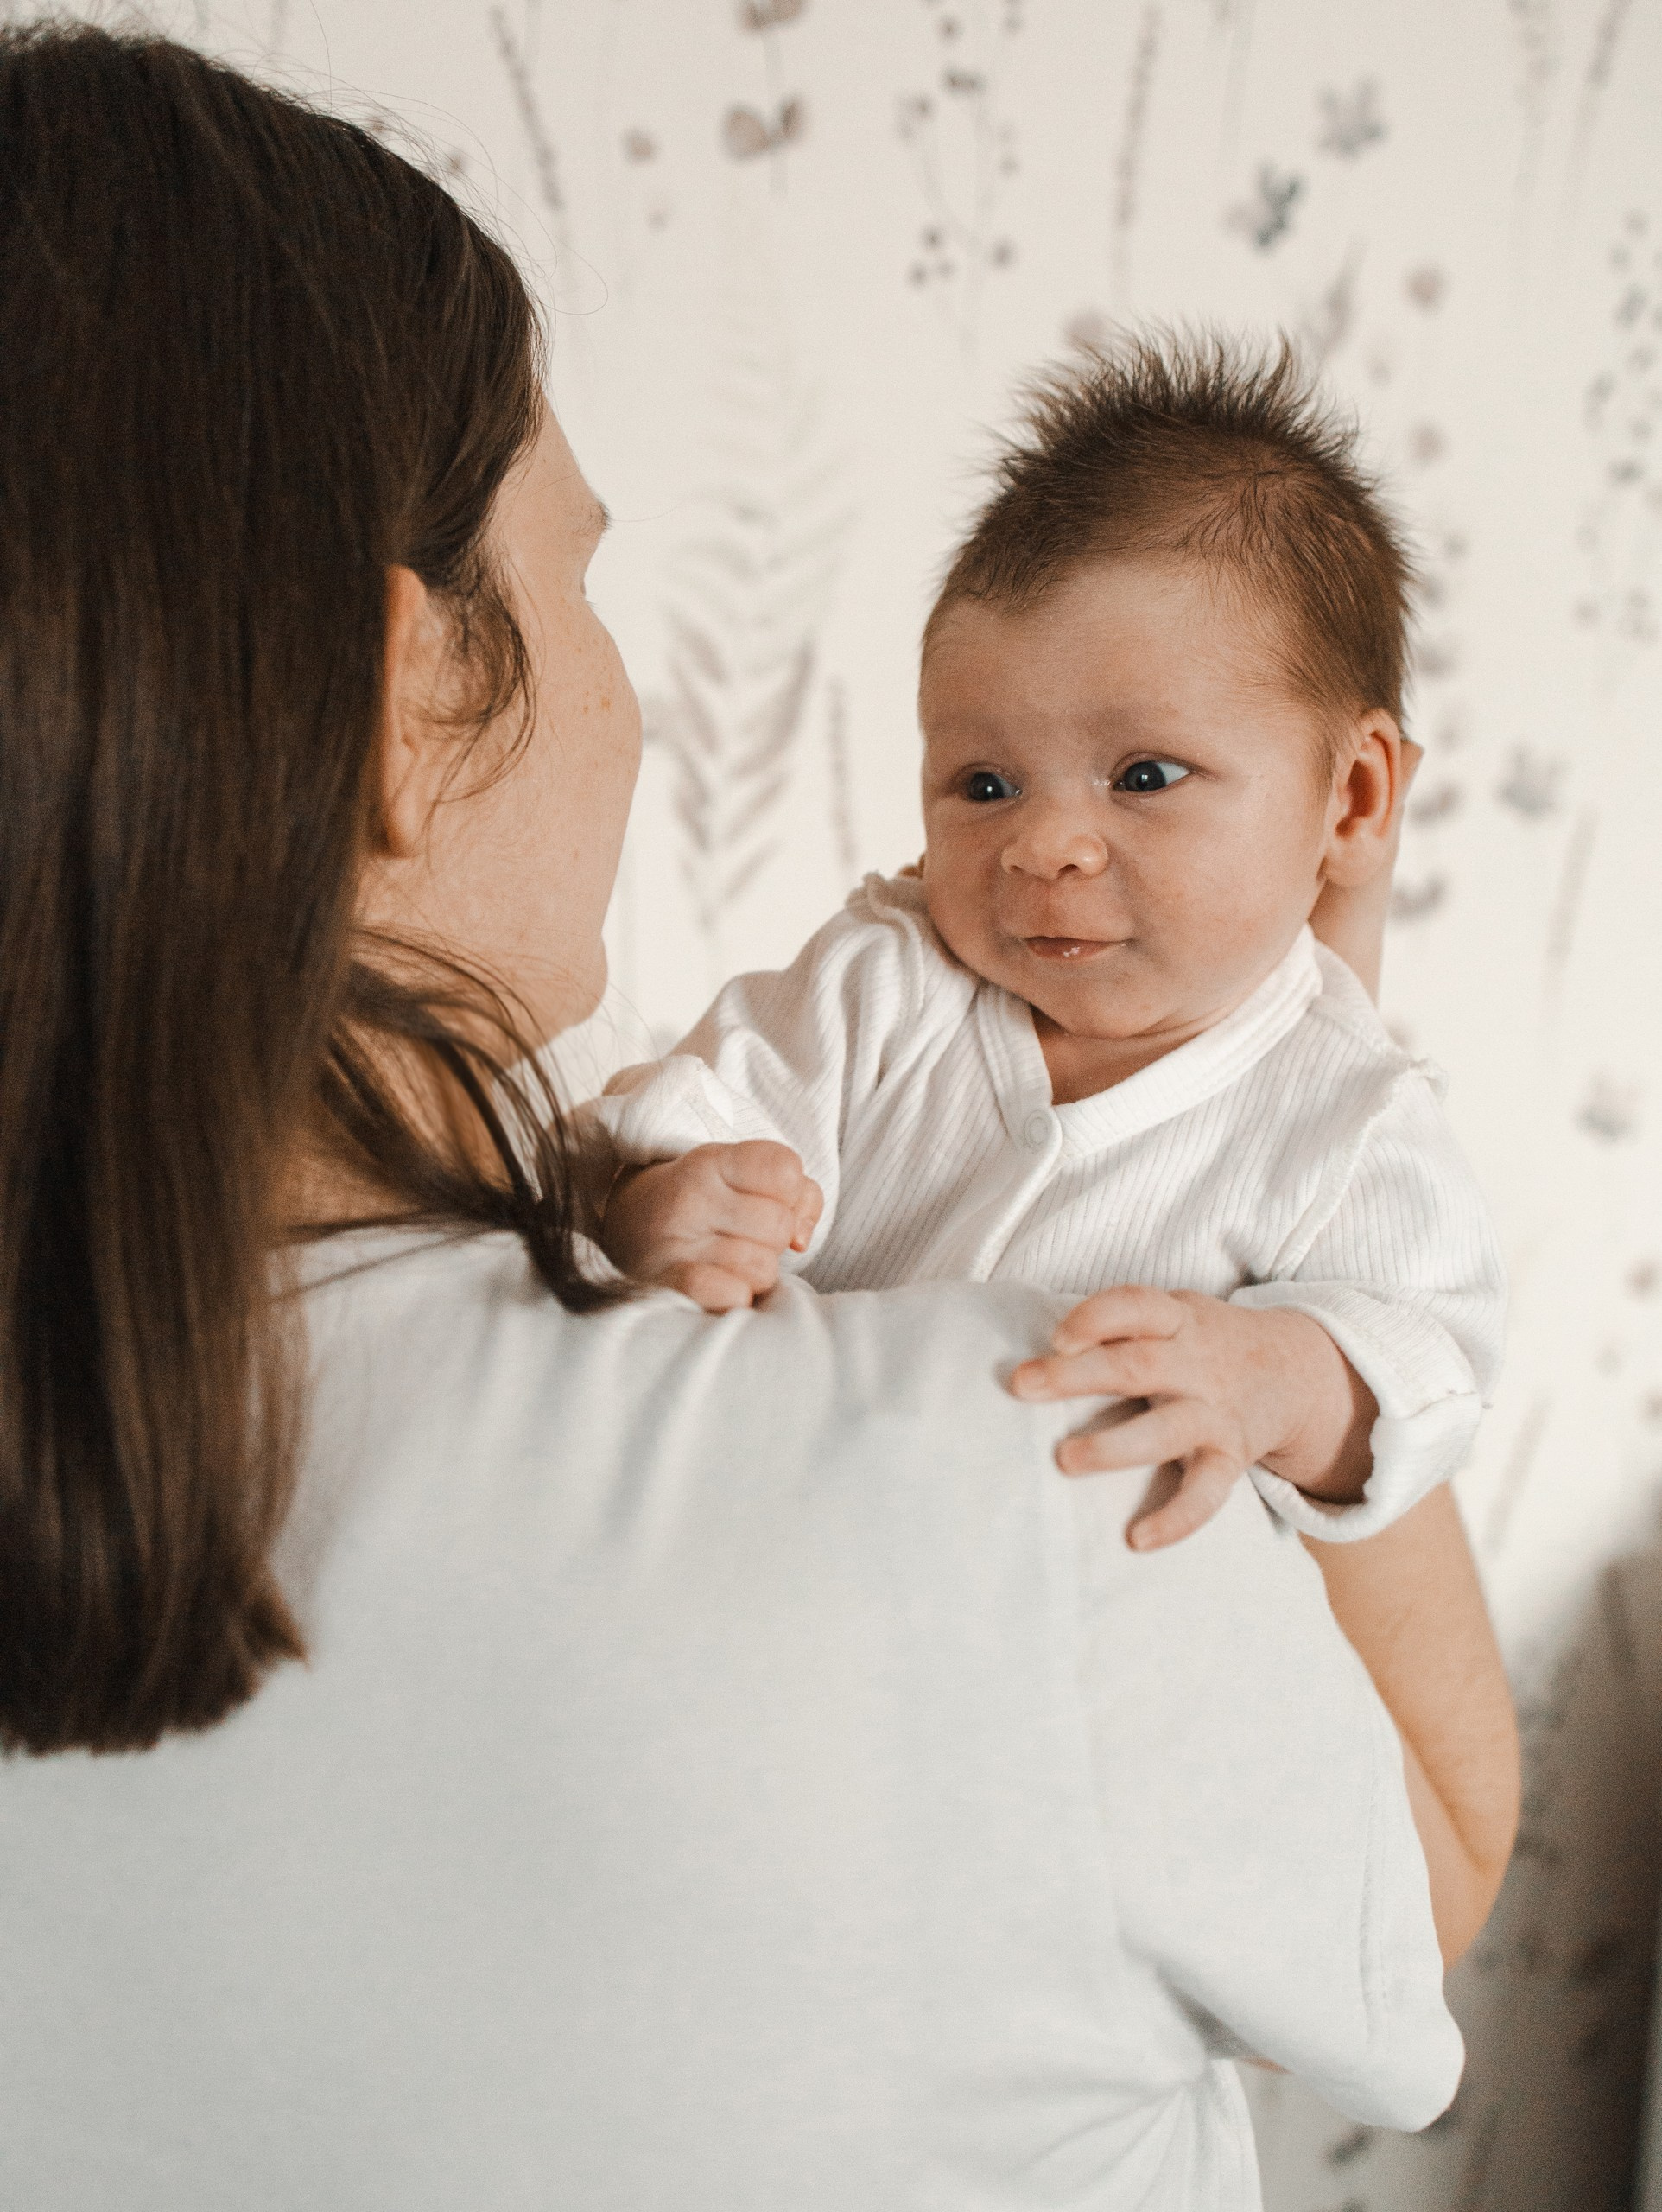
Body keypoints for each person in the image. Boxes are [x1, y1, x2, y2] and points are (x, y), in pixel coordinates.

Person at [0, 25, 1517, 2212]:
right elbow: (1421, 1912)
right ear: (404, 699)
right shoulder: (1056, 1470)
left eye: (1142, 777)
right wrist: (1284, 1100)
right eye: (587, 574)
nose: (1037, 850)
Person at [588, 340, 1506, 1551]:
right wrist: (665, 1203)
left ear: (1351, 801)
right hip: (795, 1550)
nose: (1044, 846)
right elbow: (703, 1104)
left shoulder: (1345, 1116)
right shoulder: (887, 982)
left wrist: (1276, 1374)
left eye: (1142, 775)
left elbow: (1426, 1365)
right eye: (984, 783)